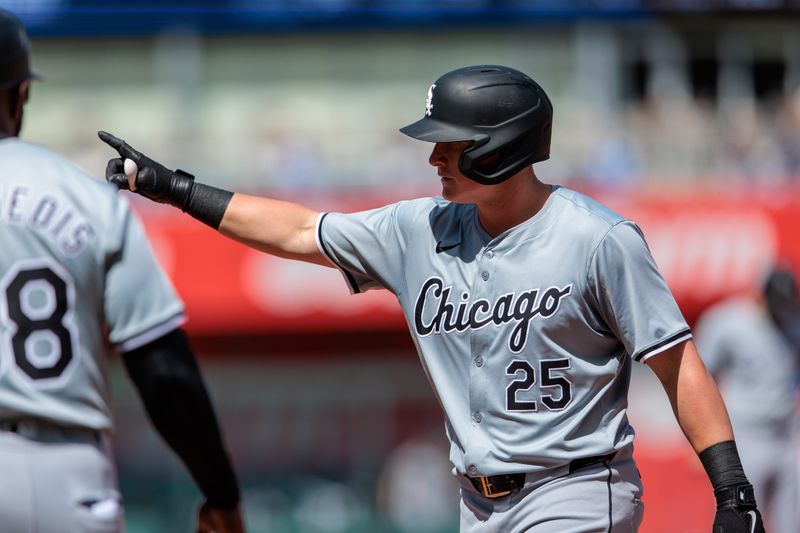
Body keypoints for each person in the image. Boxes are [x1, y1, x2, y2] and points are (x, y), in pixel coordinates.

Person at [99, 64, 764, 532]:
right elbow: (301, 229)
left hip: (579, 489)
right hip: (477, 504)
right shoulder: (417, 230)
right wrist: (177, 188)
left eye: (451, 142)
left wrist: (731, 487)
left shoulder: (598, 239)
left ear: (501, 147)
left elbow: (677, 364)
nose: (434, 157)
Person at [0, 10, 244, 533]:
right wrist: (220, 494)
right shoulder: (83, 196)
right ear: (19, 95)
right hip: (60, 474)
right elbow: (165, 372)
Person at [695, 267, 800, 532]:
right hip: (745, 435)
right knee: (747, 519)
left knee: (792, 521)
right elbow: (701, 378)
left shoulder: (794, 322)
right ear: (761, 296)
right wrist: (702, 442)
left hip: (787, 433)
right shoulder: (729, 322)